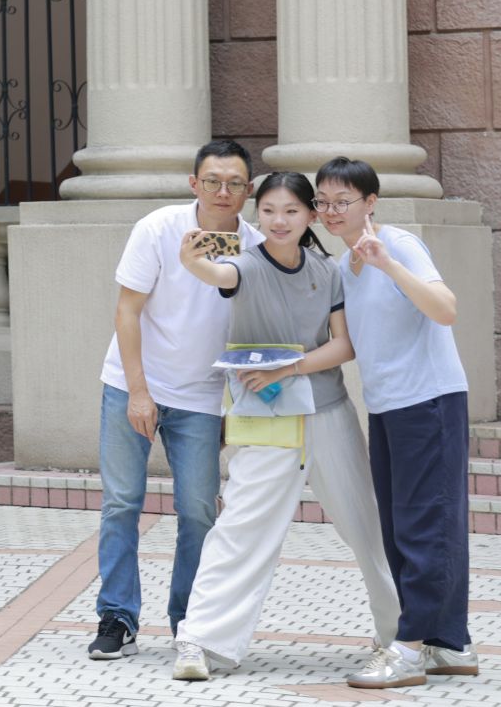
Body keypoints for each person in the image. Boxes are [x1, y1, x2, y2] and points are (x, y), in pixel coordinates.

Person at [169, 171, 399, 681]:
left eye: (291, 210)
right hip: (267, 420)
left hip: (329, 412)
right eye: (269, 210)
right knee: (241, 528)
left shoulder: (326, 271)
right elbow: (218, 275)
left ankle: (402, 634)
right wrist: (192, 264)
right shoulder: (245, 264)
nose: (279, 220)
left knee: (367, 527)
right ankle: (199, 643)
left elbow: (344, 345)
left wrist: (287, 368)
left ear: (310, 215)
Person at [88, 139, 262, 661]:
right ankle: (117, 616)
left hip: (203, 397)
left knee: (199, 512)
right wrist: (139, 392)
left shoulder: (256, 246)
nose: (223, 192)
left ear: (249, 190)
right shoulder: (158, 228)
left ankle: (189, 620)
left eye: (234, 183)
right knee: (122, 503)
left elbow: (250, 331)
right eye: (212, 181)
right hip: (132, 384)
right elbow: (127, 311)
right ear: (194, 184)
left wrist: (233, 408)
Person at [313, 156, 476, 689]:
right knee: (403, 527)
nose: (332, 211)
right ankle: (448, 643)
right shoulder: (344, 267)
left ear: (370, 203)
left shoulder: (398, 245)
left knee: (423, 525)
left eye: (343, 201)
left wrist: (387, 264)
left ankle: (408, 649)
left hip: (430, 401)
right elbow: (354, 344)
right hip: (387, 408)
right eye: (323, 202)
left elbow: (446, 309)